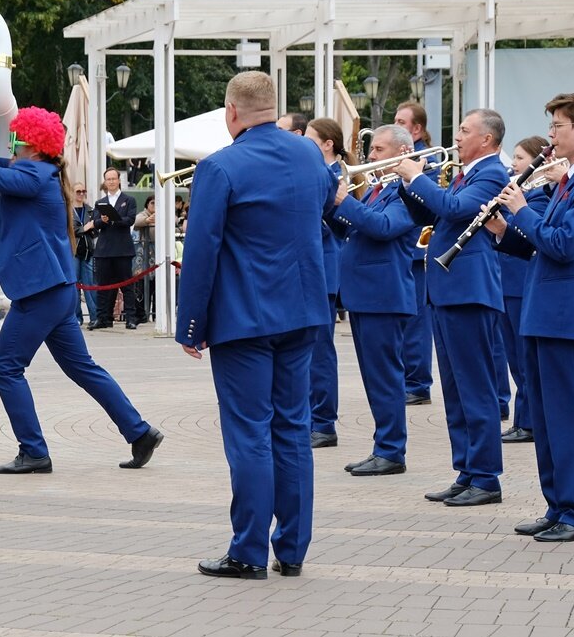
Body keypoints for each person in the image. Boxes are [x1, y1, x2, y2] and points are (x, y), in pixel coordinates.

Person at [0, 104, 163, 475]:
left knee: (5, 367)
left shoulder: (33, 174)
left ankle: (34, 450)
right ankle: (139, 432)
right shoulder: (39, 170)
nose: (10, 142)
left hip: (41, 292)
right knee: (82, 368)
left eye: (15, 137)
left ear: (31, 143)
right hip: (53, 290)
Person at [176, 71, 333, 579]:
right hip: (303, 310)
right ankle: (292, 548)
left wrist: (191, 324)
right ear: (273, 106)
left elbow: (201, 251)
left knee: (249, 434)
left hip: (244, 317)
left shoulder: (219, 167)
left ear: (232, 111)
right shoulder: (311, 155)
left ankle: (247, 550)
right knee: (292, 428)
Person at [486, 91, 574, 542]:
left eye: (559, 126)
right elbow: (543, 243)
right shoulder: (568, 181)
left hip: (568, 314)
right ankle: (557, 505)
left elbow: (563, 245)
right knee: (544, 414)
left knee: (570, 416)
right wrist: (506, 230)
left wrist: (522, 210)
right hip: (545, 312)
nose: (553, 135)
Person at [395, 108, 510, 508]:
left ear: (487, 140)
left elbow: (456, 210)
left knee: (475, 387)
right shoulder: (466, 172)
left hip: (469, 291)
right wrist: (406, 184)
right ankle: (467, 469)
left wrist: (417, 177)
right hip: (447, 291)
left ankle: (487, 477)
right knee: (456, 387)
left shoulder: (492, 172)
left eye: (464, 130)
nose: (457, 137)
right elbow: (432, 212)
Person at [328, 125, 420, 476]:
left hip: (384, 295)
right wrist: (331, 206)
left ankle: (392, 450)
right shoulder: (376, 189)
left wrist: (345, 202)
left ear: (402, 151)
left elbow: (383, 227)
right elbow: (351, 229)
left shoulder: (407, 191)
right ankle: (383, 444)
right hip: (365, 295)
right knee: (373, 377)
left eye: (380, 149)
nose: (372, 156)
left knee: (385, 376)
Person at [499, 136, 552, 445]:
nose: (514, 164)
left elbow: (531, 234)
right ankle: (524, 419)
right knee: (514, 359)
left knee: (522, 358)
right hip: (507, 281)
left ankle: (528, 421)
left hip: (521, 282)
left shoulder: (540, 197)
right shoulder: (522, 193)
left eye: (519, 158)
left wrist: (512, 211)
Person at [303, 118, 345, 450]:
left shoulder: (339, 175)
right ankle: (310, 417)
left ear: (328, 143)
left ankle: (324, 422)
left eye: (310, 139)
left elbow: (340, 225)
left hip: (325, 267)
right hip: (308, 268)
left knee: (320, 351)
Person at [393, 102, 438, 407]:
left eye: (401, 122)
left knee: (417, 319)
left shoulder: (427, 160)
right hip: (404, 247)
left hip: (415, 246)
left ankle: (418, 382)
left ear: (417, 129)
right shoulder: (405, 155)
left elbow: (427, 201)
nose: (395, 125)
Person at [89, 168, 138, 330]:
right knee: (103, 286)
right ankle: (102, 318)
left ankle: (131, 318)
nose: (111, 181)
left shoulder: (129, 200)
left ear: (119, 180)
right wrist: (102, 220)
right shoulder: (100, 202)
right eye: (108, 179)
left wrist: (113, 219)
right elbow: (95, 223)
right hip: (104, 249)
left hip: (123, 249)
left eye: (113, 178)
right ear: (105, 181)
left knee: (127, 285)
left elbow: (130, 220)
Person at [71, 181, 97, 325]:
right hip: (73, 252)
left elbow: (95, 230)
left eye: (83, 191)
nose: (81, 194)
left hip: (88, 251)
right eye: (78, 191)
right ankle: (76, 318)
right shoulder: (67, 210)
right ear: (72, 193)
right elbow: (69, 230)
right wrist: (85, 228)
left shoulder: (90, 210)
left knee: (90, 284)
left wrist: (92, 227)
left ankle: (94, 317)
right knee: (74, 286)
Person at [132, 196, 156, 323]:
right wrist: (148, 220)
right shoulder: (142, 214)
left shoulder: (163, 214)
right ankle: (140, 314)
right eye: (152, 203)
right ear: (147, 204)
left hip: (156, 258)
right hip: (142, 258)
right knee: (140, 287)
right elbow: (137, 221)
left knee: (155, 286)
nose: (154, 205)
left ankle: (156, 314)